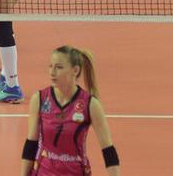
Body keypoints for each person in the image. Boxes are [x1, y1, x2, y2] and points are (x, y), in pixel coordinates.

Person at [20, 46, 120, 175]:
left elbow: (108, 150)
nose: (52, 72)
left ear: (75, 70)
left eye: (59, 67)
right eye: (50, 66)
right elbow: (31, 144)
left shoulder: (90, 104)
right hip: (44, 172)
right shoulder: (39, 99)